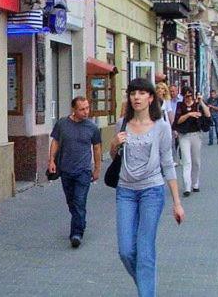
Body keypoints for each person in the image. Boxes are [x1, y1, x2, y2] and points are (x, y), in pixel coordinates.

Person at [110, 78, 184, 297]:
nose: (137, 97)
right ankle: (146, 284)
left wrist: (177, 203)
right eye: (133, 93)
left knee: (145, 251)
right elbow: (115, 157)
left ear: (151, 98)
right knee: (126, 251)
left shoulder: (161, 126)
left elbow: (168, 163)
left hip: (152, 191)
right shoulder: (121, 123)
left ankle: (146, 292)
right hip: (125, 192)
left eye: (142, 93)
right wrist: (114, 144)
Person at [48, 97, 102, 248]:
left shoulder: (92, 127)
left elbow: (97, 148)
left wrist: (97, 168)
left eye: (87, 108)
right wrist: (51, 160)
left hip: (83, 171)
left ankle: (76, 233)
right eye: (82, 109)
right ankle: (80, 221)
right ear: (74, 110)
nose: (86, 112)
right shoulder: (62, 124)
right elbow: (55, 141)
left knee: (79, 201)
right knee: (71, 201)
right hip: (66, 169)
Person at [174, 88, 210, 196]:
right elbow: (178, 120)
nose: (188, 98)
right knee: (186, 161)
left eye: (190, 96)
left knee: (196, 161)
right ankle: (187, 187)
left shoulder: (198, 105)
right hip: (184, 135)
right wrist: (189, 114)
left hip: (196, 135)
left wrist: (201, 101)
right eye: (186, 96)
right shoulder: (180, 105)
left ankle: (195, 183)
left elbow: (208, 115)